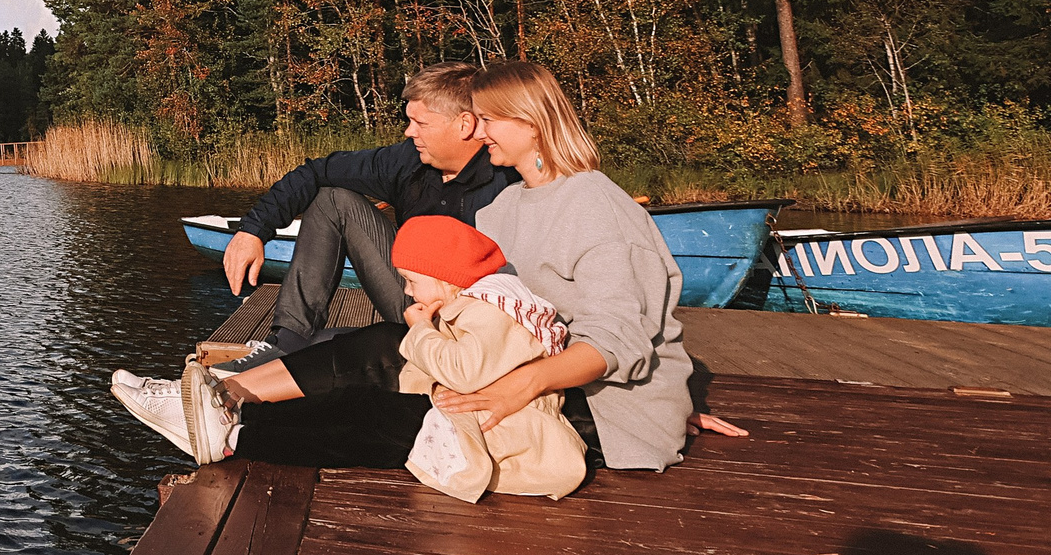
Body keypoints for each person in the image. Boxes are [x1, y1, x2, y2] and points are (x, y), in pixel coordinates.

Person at [112, 59, 744, 473]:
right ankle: (224, 410)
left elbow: (621, 337)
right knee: (391, 348)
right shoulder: (511, 207)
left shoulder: (595, 206)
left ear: (526, 122)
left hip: (587, 416)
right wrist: (438, 320)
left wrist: (661, 396)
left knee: (393, 416)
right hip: (530, 374)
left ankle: (230, 429)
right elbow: (499, 306)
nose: (481, 131)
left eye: (489, 120)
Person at [212, 62, 519, 374]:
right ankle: (290, 338)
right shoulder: (408, 160)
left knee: (343, 345)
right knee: (333, 198)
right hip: (412, 301)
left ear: (464, 125)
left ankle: (311, 352)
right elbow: (316, 171)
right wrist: (252, 231)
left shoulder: (506, 177)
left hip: (473, 326)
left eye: (420, 123)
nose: (409, 131)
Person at [390, 215, 586, 503]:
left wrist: (420, 329)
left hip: (508, 426)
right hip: (491, 414)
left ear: (444, 278)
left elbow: (463, 371)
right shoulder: (473, 305)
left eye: (411, 280)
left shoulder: (488, 312)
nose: (407, 291)